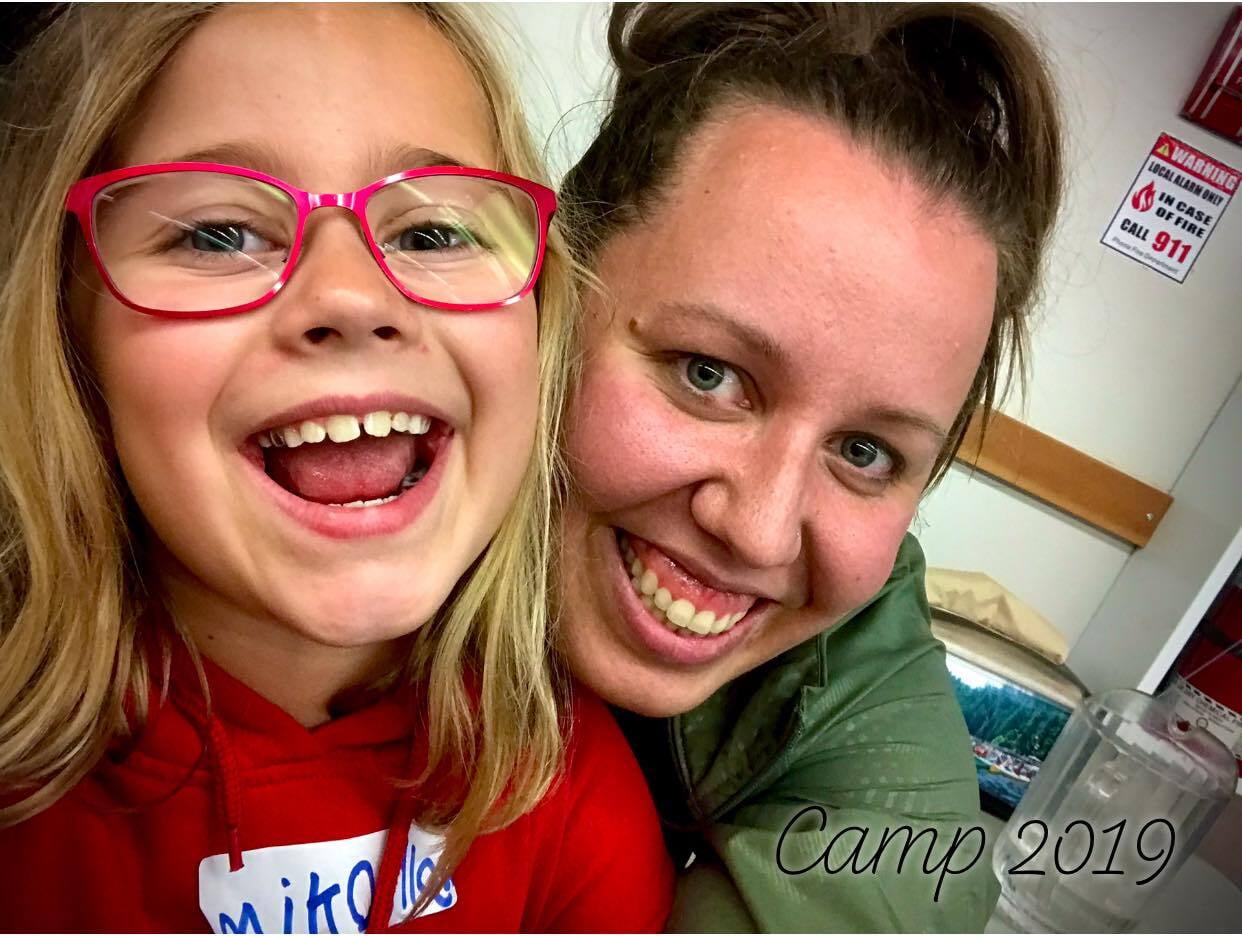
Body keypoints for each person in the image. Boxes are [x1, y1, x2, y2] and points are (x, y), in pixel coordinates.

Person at [0, 3, 672, 931]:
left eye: (434, 232)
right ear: (69, 326)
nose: (352, 295)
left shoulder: (573, 802)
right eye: (217, 233)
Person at [555, 2, 1064, 931]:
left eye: (864, 453)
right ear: (556, 276)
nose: (756, 529)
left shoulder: (862, 687)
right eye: (710, 375)